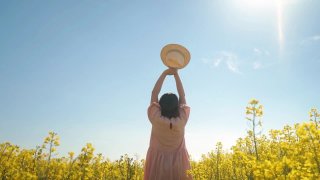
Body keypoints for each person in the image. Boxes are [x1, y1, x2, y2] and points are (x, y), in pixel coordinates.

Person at [144, 68, 192, 180]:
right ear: (177, 106)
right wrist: (176, 75)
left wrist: (165, 73)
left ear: (160, 105)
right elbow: (182, 96)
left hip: (157, 164)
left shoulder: (156, 118)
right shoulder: (182, 120)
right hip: (179, 164)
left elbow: (154, 93)